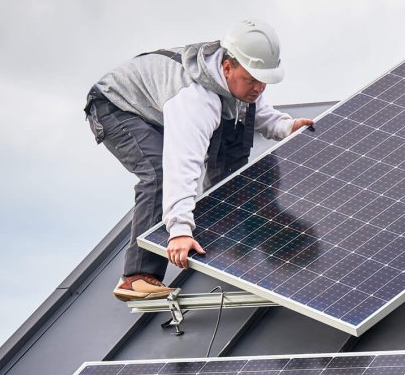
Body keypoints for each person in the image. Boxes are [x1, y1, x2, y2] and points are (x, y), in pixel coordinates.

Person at [84, 19, 315, 301]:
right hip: (116, 107)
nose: (258, 88)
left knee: (238, 126)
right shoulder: (194, 100)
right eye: (251, 80)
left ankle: (223, 229)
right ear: (228, 67)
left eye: (263, 82)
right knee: (157, 172)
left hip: (159, 105)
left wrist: (287, 126)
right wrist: (179, 230)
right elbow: (181, 166)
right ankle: (137, 276)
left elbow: (259, 111)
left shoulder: (236, 80)